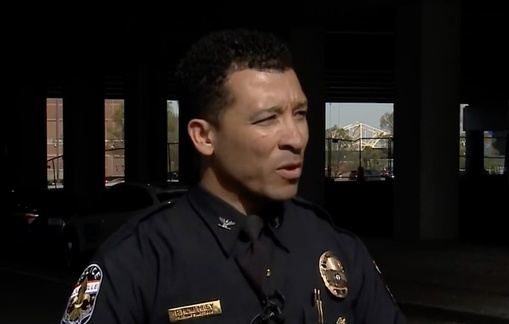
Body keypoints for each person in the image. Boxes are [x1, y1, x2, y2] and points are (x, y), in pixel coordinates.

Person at [60, 28, 406, 324]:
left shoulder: (338, 248)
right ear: (204, 136)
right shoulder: (137, 261)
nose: (296, 138)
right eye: (268, 119)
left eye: (299, 114)